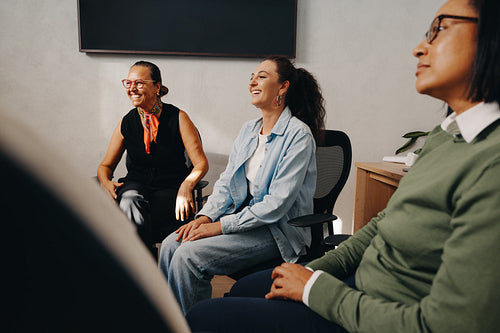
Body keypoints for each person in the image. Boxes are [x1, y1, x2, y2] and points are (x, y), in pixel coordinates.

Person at [186, 0, 500, 332]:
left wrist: (313, 286)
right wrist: (317, 270)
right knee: (241, 289)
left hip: (380, 310)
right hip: (363, 283)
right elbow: (383, 224)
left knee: (203, 316)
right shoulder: (444, 136)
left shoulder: (490, 166)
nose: (419, 48)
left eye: (439, 29)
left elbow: (448, 323)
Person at [158, 56, 326, 314]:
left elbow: (275, 205)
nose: (252, 82)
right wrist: (205, 217)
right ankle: (172, 321)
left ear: (283, 87)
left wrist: (219, 227)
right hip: (243, 221)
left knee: (188, 257)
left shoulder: (298, 135)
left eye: (262, 76)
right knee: (171, 244)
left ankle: (199, 326)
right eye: (251, 77)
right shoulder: (249, 130)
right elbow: (226, 183)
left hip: (277, 231)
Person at [97, 61, 208, 256]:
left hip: (170, 186)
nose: (132, 88)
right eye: (128, 83)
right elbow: (105, 165)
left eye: (139, 83)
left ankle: (156, 267)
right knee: (129, 199)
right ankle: (146, 262)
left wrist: (187, 185)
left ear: (157, 87)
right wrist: (105, 182)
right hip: (136, 184)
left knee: (164, 202)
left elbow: (200, 163)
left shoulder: (178, 117)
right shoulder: (127, 122)